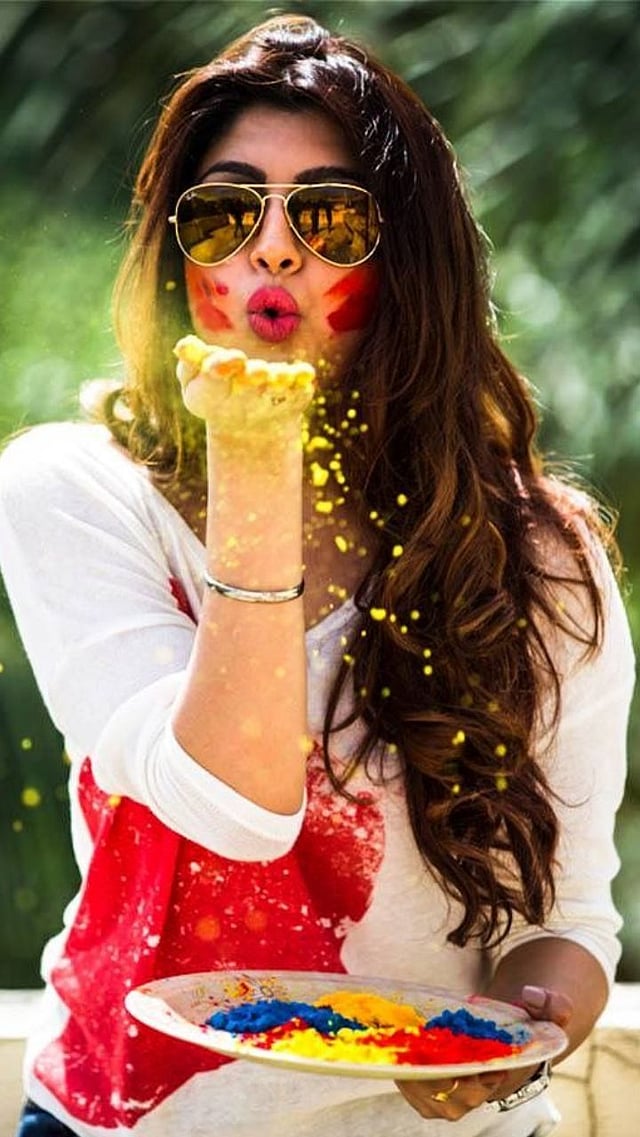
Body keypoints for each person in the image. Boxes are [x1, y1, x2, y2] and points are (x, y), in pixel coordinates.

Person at [0, 13, 634, 1137]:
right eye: (224, 212)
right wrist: (256, 449)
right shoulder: (79, 492)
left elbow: (567, 922)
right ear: (176, 255)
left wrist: (521, 1031)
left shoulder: (536, 557)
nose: (275, 249)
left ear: (411, 263)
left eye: (331, 216)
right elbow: (236, 808)